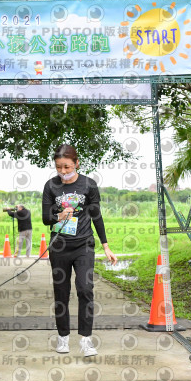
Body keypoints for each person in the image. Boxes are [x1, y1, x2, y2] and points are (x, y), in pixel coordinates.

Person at [42, 144, 118, 357]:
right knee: (61, 292)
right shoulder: (51, 186)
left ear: (77, 163)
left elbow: (96, 216)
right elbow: (46, 218)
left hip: (83, 245)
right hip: (59, 247)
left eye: (67, 167)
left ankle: (86, 339)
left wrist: (106, 246)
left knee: (85, 289)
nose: (63, 171)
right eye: (59, 167)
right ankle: (63, 337)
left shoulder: (88, 185)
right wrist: (59, 216)